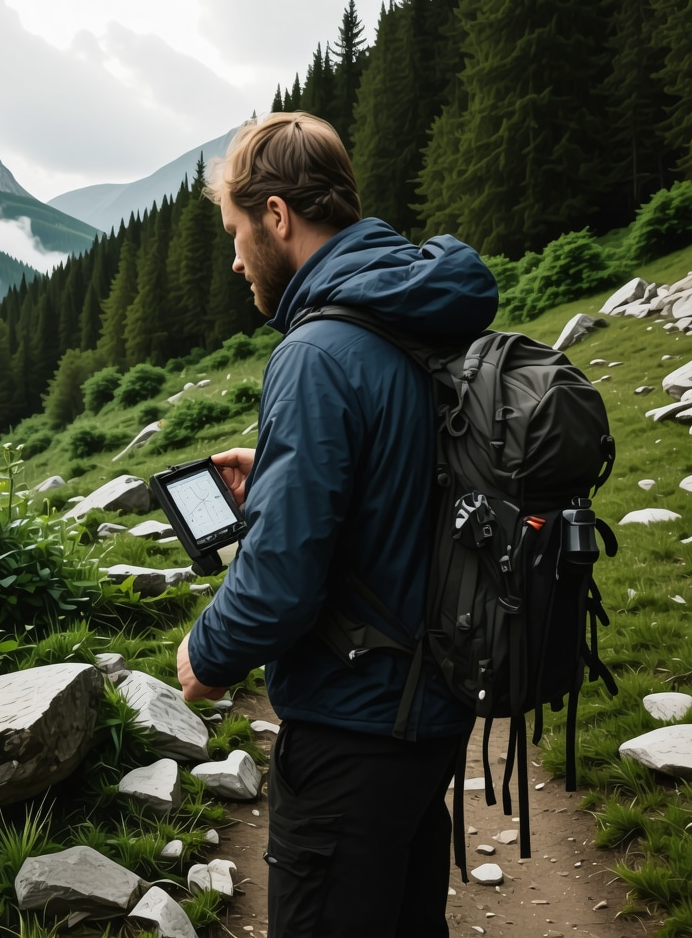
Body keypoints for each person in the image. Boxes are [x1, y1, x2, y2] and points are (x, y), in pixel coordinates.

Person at [176, 112, 499, 937]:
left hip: (354, 730)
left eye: (237, 232)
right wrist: (283, 477)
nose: (237, 257)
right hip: (432, 713)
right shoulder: (421, 313)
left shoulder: (318, 352)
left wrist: (203, 659)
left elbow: (279, 587)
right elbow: (409, 489)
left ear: (277, 216)